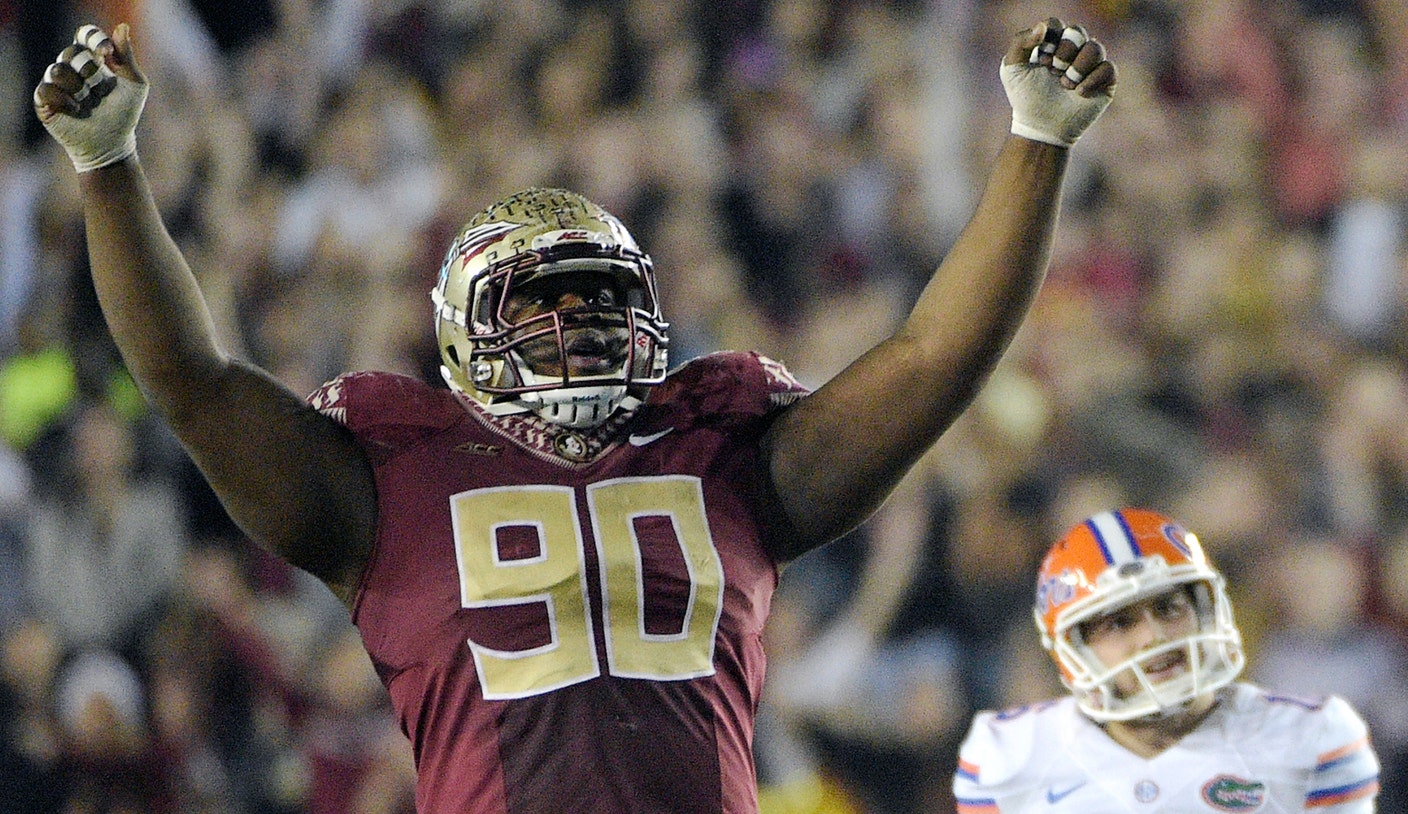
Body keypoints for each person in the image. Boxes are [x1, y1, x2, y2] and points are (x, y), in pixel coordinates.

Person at [33, 17, 1115, 814]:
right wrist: (108, 167)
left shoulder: (723, 454)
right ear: (463, 331)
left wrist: (1037, 140)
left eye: (603, 299)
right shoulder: (390, 476)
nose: (580, 325)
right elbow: (194, 379)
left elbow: (936, 359)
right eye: (541, 303)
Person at [953, 507, 1382, 813]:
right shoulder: (1009, 759)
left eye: (1169, 608)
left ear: (1206, 610)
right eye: (1120, 623)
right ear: (1074, 650)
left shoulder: (1311, 739)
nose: (1154, 636)